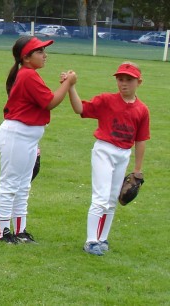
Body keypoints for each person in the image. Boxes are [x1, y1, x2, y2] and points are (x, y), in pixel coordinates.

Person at [0, 36, 76, 244]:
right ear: (27, 57)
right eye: (40, 51)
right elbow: (49, 103)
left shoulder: (30, 74)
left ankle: (20, 231)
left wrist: (66, 84)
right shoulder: (28, 75)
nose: (44, 55)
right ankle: (3, 232)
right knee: (10, 183)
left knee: (23, 185)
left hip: (27, 136)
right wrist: (68, 84)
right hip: (17, 134)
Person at [67, 62, 150, 256]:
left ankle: (102, 238)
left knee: (112, 199)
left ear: (139, 82)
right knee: (101, 197)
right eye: (120, 79)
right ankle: (90, 241)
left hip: (123, 154)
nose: (123, 83)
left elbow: (141, 140)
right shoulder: (106, 100)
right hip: (104, 150)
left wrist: (138, 169)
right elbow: (80, 109)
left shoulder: (142, 110)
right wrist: (71, 87)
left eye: (129, 80)